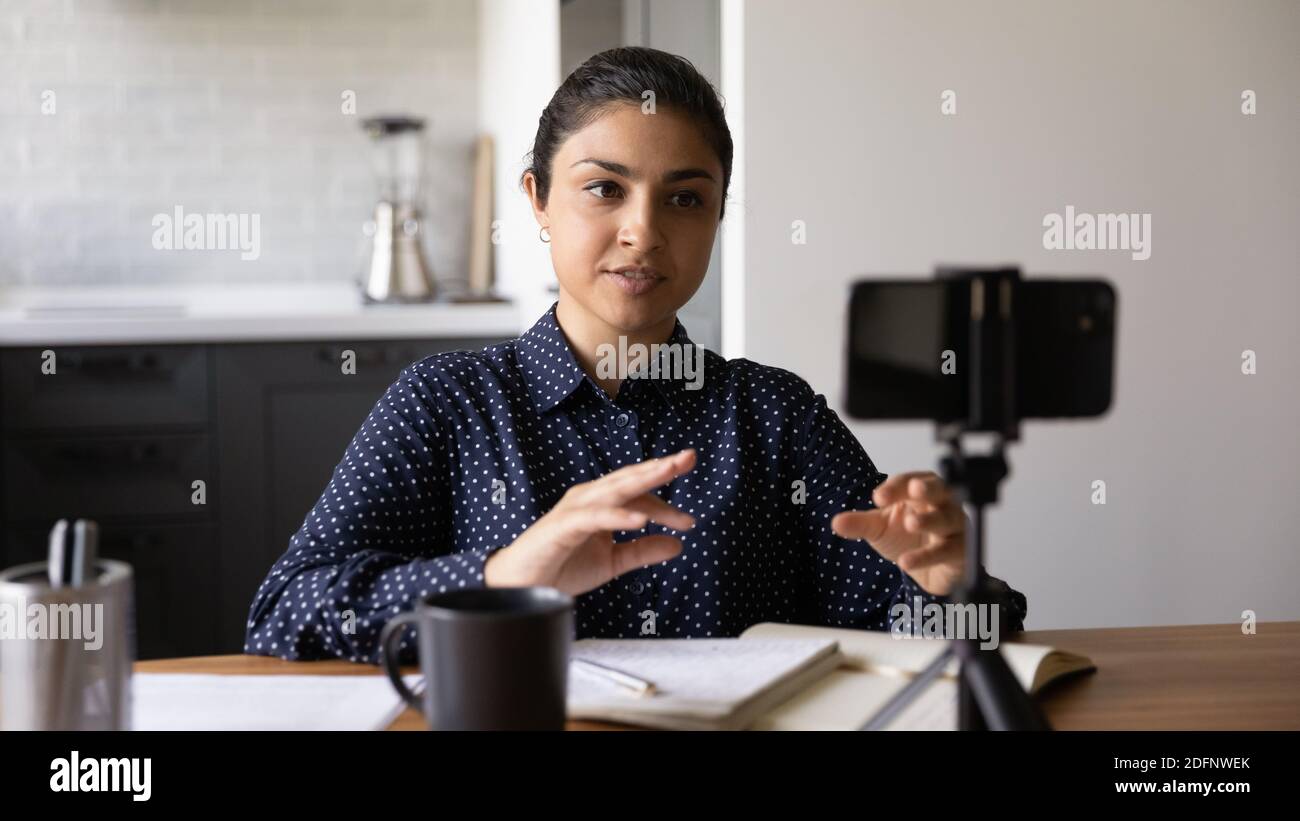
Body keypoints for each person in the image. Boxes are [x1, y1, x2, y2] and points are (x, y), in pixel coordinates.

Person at [245, 47, 1026, 664]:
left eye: (685, 198)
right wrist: (503, 576)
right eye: (605, 189)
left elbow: (955, 636)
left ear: (718, 216)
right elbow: (282, 614)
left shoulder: (775, 416)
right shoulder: (447, 403)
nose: (644, 232)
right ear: (537, 201)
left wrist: (948, 583)